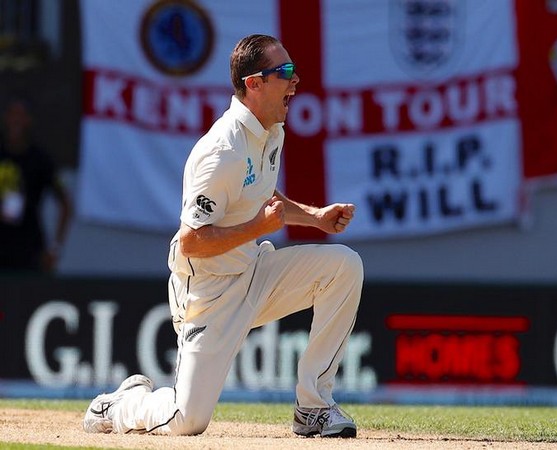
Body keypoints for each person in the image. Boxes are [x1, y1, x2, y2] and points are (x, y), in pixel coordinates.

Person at [83, 34, 363, 438]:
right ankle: (120, 404)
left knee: (345, 267)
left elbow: (261, 196)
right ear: (254, 83)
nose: (296, 79)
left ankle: (314, 408)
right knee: (187, 420)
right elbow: (191, 241)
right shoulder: (222, 150)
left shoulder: (271, 130)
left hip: (253, 271)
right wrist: (256, 229)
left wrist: (316, 217)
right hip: (208, 295)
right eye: (284, 72)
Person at [0, 96, 71, 272]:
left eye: (21, 115)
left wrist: (55, 249)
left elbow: (66, 204)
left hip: (29, 250)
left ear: (29, 120)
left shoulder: (41, 160)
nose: (16, 120)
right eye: (12, 114)